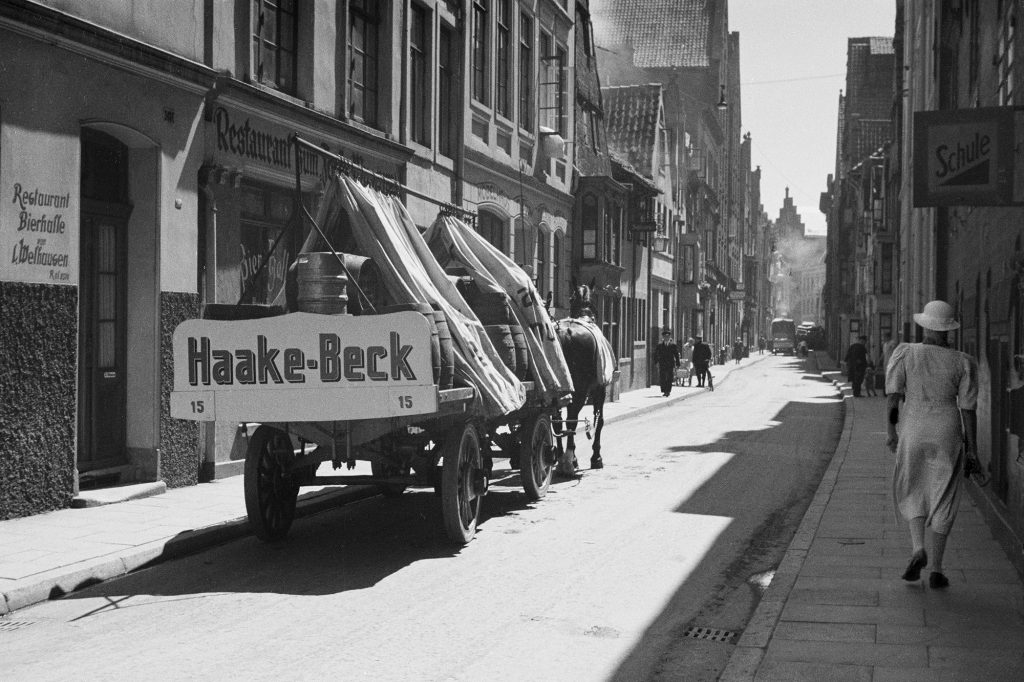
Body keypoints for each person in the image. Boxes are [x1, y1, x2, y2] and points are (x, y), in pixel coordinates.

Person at [887, 300, 979, 589]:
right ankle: (937, 569)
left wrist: (890, 430)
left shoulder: (906, 353)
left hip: (913, 426)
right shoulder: (962, 361)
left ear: (924, 326)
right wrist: (973, 449)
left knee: (913, 486)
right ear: (949, 330)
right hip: (947, 428)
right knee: (944, 494)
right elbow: (968, 409)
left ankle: (917, 548)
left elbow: (893, 397)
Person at [653, 328, 680, 397]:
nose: (666, 338)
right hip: (662, 363)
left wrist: (677, 363)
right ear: (663, 337)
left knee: (669, 377)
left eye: (668, 336)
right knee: (662, 377)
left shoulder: (673, 345)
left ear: (670, 337)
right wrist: (656, 362)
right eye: (665, 337)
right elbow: (656, 354)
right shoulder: (659, 346)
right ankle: (664, 390)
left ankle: (668, 391)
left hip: (670, 364)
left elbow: (676, 355)